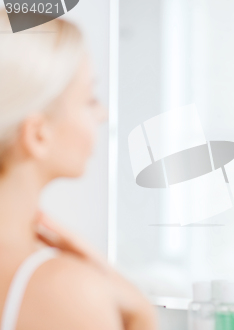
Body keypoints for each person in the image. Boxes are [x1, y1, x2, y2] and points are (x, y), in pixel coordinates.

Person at [0, 9, 158, 330]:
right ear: (38, 133)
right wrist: (142, 313)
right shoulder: (64, 292)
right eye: (89, 99)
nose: (101, 114)